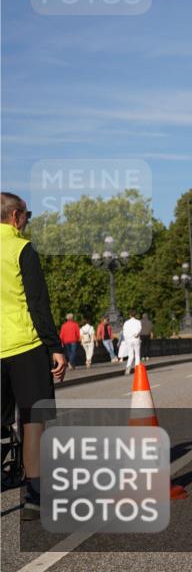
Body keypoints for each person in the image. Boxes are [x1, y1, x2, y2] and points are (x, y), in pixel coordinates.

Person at [0, 192, 68, 520]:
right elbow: (38, 303)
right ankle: (34, 495)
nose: (27, 221)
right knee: (32, 420)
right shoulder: (22, 249)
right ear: (15, 217)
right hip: (24, 346)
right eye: (27, 215)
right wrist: (55, 347)